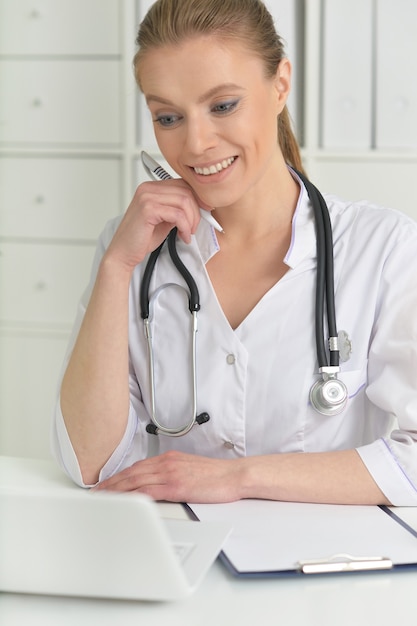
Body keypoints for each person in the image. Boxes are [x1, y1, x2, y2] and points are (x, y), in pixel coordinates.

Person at [52, 0, 417, 506]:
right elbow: (91, 465)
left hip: (328, 568)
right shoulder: (132, 250)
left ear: (280, 84)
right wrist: (117, 269)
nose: (197, 143)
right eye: (169, 116)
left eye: (223, 105)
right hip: (176, 567)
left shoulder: (383, 250)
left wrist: (241, 478)